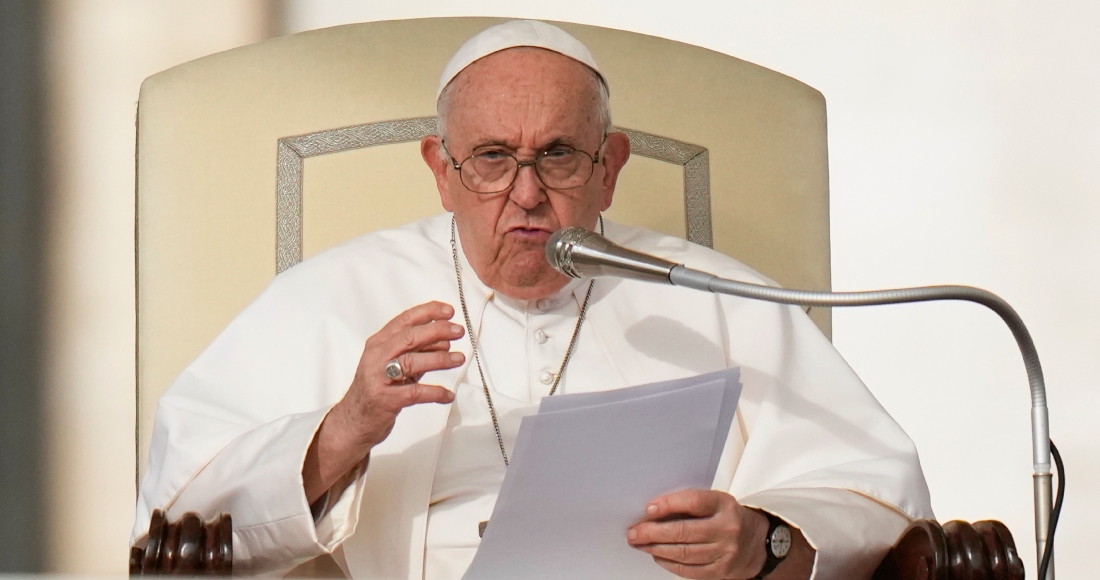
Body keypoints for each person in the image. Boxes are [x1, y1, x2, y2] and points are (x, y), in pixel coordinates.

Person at [132, 20, 933, 580]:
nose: (525, 195)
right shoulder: (334, 295)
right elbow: (175, 516)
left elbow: (873, 491)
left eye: (557, 156)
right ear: (440, 171)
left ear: (610, 165)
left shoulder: (714, 296)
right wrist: (344, 430)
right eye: (489, 159)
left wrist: (765, 545)